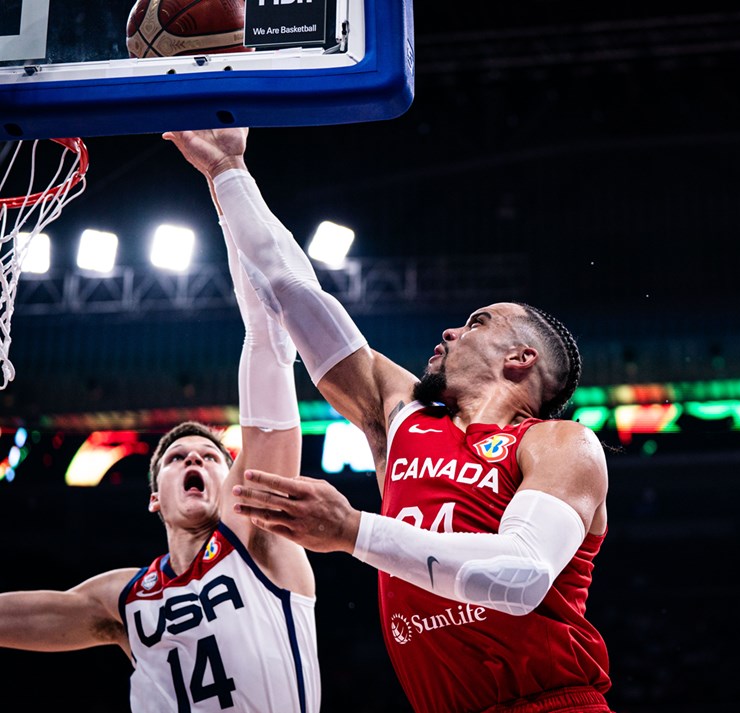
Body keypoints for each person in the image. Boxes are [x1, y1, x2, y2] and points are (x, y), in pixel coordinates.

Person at [165, 126, 613, 713]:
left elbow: (522, 575)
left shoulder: (560, 443)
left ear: (520, 359)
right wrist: (227, 170)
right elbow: (293, 291)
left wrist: (353, 531)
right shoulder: (402, 417)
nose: (450, 330)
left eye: (477, 322)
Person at [0, 174, 321, 712]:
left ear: (232, 481)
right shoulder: (123, 596)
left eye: (212, 457)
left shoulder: (258, 536)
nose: (194, 457)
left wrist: (225, 179)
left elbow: (267, 338)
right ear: (155, 497)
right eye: (176, 458)